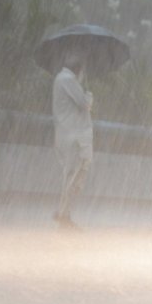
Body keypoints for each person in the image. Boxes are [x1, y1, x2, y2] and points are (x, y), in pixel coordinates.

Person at [52, 54, 93, 229]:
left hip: (65, 134)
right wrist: (90, 96)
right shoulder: (68, 79)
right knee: (74, 175)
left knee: (70, 175)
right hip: (74, 137)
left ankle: (63, 212)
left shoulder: (60, 79)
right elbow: (83, 104)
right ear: (78, 70)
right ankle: (64, 215)